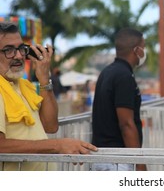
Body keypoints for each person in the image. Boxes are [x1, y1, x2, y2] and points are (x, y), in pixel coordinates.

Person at [0, 22, 97, 171]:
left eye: (21, 48)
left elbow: (50, 126)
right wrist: (57, 145)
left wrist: (44, 79)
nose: (19, 55)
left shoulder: (23, 86)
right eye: (9, 50)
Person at [92, 27, 147, 171]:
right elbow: (126, 124)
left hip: (101, 157)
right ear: (137, 50)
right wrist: (139, 164)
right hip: (117, 161)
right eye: (143, 48)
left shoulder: (106, 72)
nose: (144, 52)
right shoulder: (124, 77)